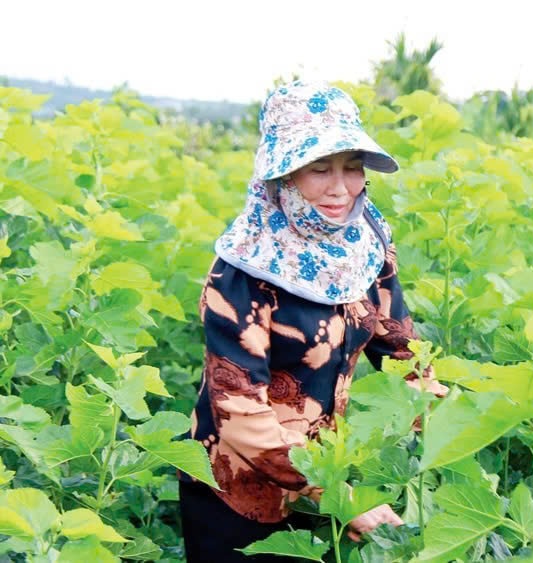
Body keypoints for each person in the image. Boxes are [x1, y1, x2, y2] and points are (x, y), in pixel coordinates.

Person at [179, 80, 447, 561]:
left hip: (329, 470)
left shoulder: (364, 245)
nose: (340, 188)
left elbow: (401, 345)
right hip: (240, 491)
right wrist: (337, 496)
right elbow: (239, 414)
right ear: (283, 175)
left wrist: (448, 416)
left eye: (352, 167)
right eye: (319, 168)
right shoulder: (242, 273)